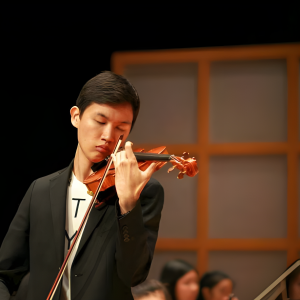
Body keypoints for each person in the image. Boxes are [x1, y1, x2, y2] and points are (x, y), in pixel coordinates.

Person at [0, 71, 164, 300]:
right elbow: (5, 273)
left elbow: (133, 275)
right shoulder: (40, 190)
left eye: (121, 128)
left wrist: (127, 204)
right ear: (76, 116)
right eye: (100, 121)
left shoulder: (145, 191)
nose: (108, 135)